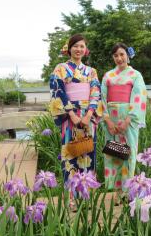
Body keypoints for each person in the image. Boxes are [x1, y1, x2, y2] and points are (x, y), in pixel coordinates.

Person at [49, 34, 101, 208]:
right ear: (69, 48)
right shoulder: (61, 68)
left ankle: (86, 195)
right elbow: (58, 91)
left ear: (85, 50)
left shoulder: (91, 71)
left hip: (87, 116)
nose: (79, 49)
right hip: (69, 116)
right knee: (70, 154)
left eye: (82, 46)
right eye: (75, 46)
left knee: (87, 153)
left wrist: (89, 115)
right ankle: (71, 198)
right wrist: (71, 114)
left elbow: (96, 92)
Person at [101, 42, 147, 201]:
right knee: (114, 154)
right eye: (115, 56)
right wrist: (107, 120)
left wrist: (129, 119)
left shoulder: (135, 75)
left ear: (128, 55)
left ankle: (128, 192)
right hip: (111, 122)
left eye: (122, 54)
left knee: (128, 153)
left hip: (128, 121)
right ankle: (118, 192)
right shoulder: (108, 75)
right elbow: (102, 98)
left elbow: (139, 97)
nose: (119, 58)